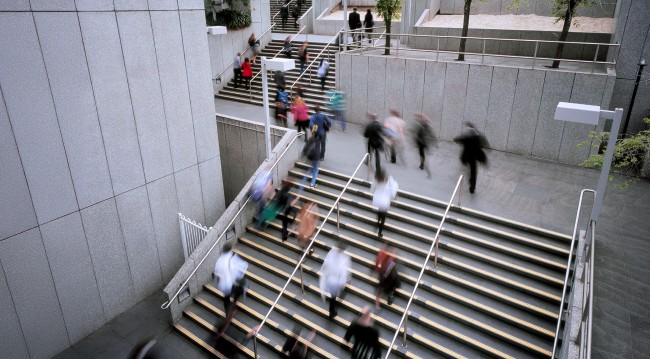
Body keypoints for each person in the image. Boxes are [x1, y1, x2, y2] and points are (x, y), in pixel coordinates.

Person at [213, 241, 249, 315]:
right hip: (231, 283)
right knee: (241, 288)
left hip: (223, 285)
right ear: (230, 249)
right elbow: (242, 266)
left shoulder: (220, 259)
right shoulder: (232, 257)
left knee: (226, 298)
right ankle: (234, 303)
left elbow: (216, 272)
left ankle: (227, 313)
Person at [454, 122, 489, 194]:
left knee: (468, 170)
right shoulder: (478, 136)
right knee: (473, 171)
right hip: (474, 157)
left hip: (467, 157)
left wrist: (457, 140)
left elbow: (457, 139)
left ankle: (471, 181)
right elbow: (484, 143)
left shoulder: (466, 137)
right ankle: (472, 186)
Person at [320, 242, 351, 319]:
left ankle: (332, 310)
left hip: (330, 279)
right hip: (336, 281)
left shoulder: (332, 253)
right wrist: (347, 279)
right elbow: (343, 270)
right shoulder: (344, 257)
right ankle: (332, 310)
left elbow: (326, 264)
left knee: (333, 296)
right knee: (335, 296)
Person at [371, 169, 398, 238]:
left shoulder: (377, 180)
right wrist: (394, 197)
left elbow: (372, 189)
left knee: (379, 215)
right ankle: (380, 232)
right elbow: (392, 191)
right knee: (383, 218)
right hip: (385, 203)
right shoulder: (389, 180)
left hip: (379, 202)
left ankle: (377, 224)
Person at [373, 243, 400, 311]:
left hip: (385, 272)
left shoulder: (383, 252)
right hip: (389, 271)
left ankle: (377, 306)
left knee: (380, 288)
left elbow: (377, 261)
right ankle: (390, 296)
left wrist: (376, 269)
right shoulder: (392, 252)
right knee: (391, 285)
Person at [412, 113, 436, 177]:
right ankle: (422, 164)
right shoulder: (421, 125)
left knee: (422, 155)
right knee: (422, 154)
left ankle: (426, 169)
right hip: (422, 142)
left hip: (423, 143)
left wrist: (434, 142)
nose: (422, 121)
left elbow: (432, 135)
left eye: (424, 120)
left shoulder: (426, 127)